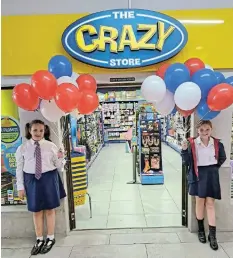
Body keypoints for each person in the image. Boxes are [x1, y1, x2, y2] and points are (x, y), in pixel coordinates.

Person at [16, 120, 66, 255]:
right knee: (36, 210)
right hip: (31, 180)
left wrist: (62, 157)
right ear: (29, 131)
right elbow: (19, 168)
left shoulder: (51, 146)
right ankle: (39, 239)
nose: (38, 133)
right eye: (35, 130)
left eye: (41, 130)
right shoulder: (23, 148)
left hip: (49, 178)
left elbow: (59, 166)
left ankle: (51, 237)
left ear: (45, 131)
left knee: (50, 209)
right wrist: (20, 187)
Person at [181, 120, 226, 251]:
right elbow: (186, 162)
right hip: (197, 174)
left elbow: (222, 158)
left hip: (211, 174)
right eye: (202, 130)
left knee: (210, 203)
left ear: (211, 129)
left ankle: (213, 236)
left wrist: (213, 168)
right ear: (197, 131)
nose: (205, 133)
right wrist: (184, 150)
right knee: (200, 201)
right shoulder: (192, 144)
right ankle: (201, 230)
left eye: (207, 130)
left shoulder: (217, 144)